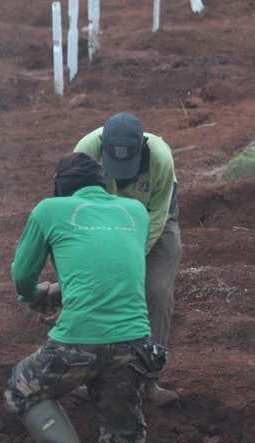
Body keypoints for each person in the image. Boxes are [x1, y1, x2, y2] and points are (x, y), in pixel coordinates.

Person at [5, 153, 164, 443]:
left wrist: (34, 296)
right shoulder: (135, 212)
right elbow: (107, 262)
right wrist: (65, 289)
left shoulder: (49, 210)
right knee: (121, 438)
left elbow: (22, 275)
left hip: (78, 342)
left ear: (60, 189)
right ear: (104, 185)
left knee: (23, 387)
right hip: (135, 343)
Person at [74, 112, 181, 405]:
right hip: (100, 226)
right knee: (93, 292)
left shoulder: (160, 157)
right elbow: (76, 211)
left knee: (157, 293)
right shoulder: (85, 151)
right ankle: (90, 376)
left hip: (153, 225)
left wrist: (130, 260)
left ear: (142, 149)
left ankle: (149, 380)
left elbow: (159, 216)